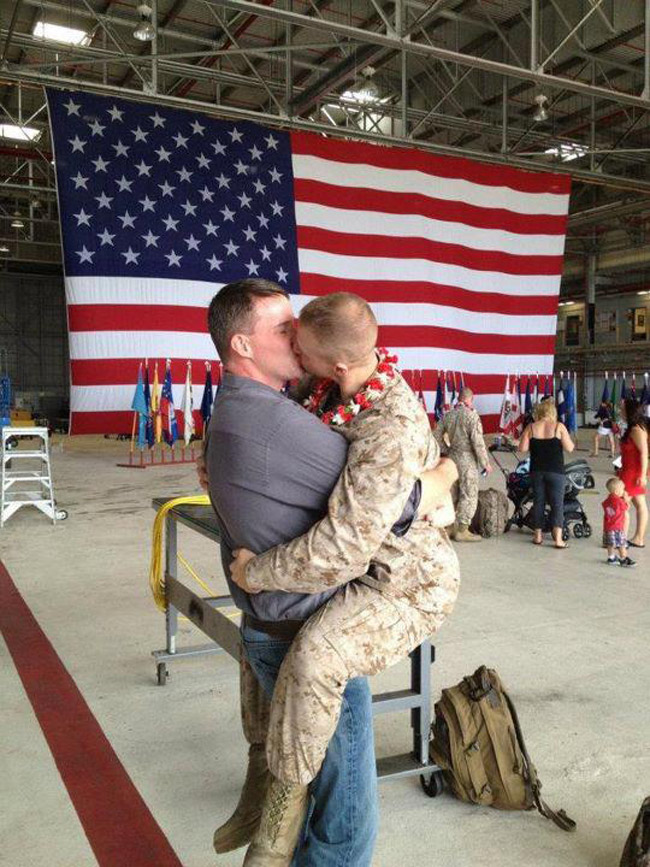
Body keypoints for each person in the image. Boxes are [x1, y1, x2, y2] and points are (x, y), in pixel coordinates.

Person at [203, 280, 458, 866]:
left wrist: (431, 484)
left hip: (400, 581)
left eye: (300, 334)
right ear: (243, 345)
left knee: (318, 658)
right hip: (347, 578)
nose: (295, 342)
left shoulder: (382, 421)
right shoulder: (313, 394)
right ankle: (268, 788)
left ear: (337, 361)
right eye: (284, 330)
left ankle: (276, 810)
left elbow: (352, 535)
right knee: (338, 803)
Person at [432, 386, 492, 542]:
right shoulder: (472, 417)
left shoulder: (448, 415)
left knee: (453, 492)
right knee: (469, 493)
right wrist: (485, 463)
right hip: (467, 459)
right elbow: (478, 443)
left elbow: (436, 435)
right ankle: (462, 530)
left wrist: (446, 450)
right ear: (470, 399)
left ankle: (449, 526)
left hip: (452, 458)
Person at [518, 397, 575, 548]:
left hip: (537, 471)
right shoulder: (559, 426)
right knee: (557, 505)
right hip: (556, 471)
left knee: (539, 502)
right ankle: (558, 540)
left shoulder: (531, 427)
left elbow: (522, 449)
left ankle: (537, 536)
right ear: (552, 412)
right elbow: (570, 448)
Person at [618, 397, 648, 549]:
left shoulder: (637, 429)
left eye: (622, 408)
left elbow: (644, 453)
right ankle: (638, 538)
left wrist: (642, 475)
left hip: (633, 472)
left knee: (622, 504)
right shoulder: (632, 428)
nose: (620, 411)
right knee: (639, 504)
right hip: (627, 469)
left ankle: (620, 538)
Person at [602, 477, 635, 567]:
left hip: (608, 526)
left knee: (610, 543)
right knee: (621, 543)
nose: (623, 491)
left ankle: (611, 557)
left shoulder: (607, 500)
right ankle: (623, 558)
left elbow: (604, 505)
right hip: (617, 526)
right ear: (617, 491)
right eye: (622, 489)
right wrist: (626, 500)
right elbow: (626, 508)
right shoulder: (619, 501)